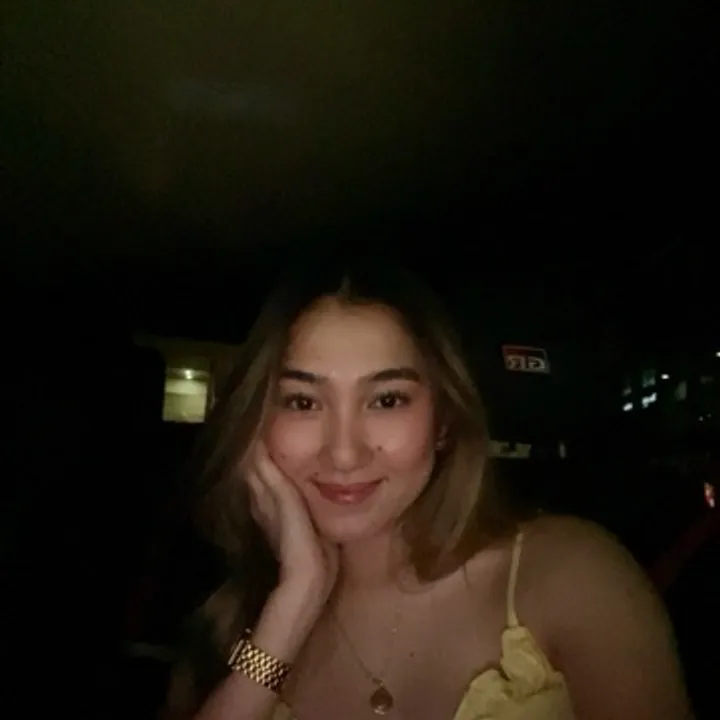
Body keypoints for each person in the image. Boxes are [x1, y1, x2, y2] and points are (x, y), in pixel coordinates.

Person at [162, 256, 691, 720]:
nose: (344, 453)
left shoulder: (571, 574)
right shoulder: (228, 626)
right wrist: (294, 602)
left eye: (387, 400)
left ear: (442, 422)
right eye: (302, 402)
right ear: (256, 426)